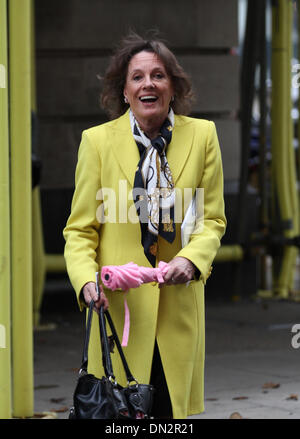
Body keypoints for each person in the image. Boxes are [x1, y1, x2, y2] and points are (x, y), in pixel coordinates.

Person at [63, 32, 226, 419]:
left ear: (173, 86)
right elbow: (80, 230)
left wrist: (191, 260)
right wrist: (87, 282)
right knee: (120, 419)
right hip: (119, 315)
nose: (148, 83)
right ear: (124, 91)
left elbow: (212, 220)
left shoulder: (203, 136)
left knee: (169, 418)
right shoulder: (97, 142)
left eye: (158, 75)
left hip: (178, 310)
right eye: (137, 77)